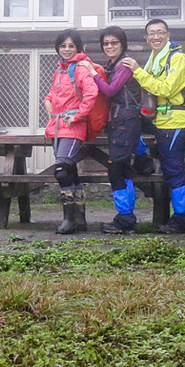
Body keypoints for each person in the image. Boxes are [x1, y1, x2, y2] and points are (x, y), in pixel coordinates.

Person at [122, 19, 185, 234]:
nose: (156, 36)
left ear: (168, 35)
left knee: (174, 168)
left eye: (160, 32)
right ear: (146, 38)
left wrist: (137, 71)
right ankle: (144, 160)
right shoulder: (154, 59)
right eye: (151, 33)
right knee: (167, 166)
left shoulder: (177, 59)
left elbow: (164, 89)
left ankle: (181, 218)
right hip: (161, 121)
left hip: (176, 120)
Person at [78, 26, 144, 234]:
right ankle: (126, 217)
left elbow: (110, 90)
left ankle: (125, 218)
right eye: (105, 43)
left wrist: (91, 73)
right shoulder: (113, 65)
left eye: (113, 42)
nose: (109, 46)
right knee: (122, 169)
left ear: (122, 44)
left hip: (126, 121)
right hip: (120, 122)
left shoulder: (124, 65)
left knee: (115, 168)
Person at [42, 30, 99, 234]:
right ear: (58, 48)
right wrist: (47, 101)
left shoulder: (81, 69)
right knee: (71, 172)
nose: (66, 49)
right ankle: (80, 219)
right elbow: (53, 93)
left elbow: (92, 93)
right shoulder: (60, 69)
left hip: (73, 126)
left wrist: (78, 115)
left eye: (71, 46)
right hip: (57, 126)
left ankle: (68, 220)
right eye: (63, 46)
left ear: (78, 47)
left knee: (62, 170)